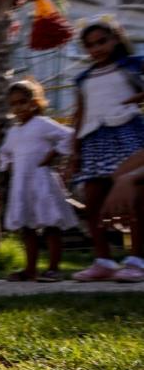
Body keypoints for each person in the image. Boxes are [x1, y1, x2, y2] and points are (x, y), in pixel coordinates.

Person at [68, 17, 144, 283]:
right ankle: (103, 260)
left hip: (127, 133)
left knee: (135, 198)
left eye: (102, 41)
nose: (96, 49)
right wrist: (74, 150)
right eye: (90, 45)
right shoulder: (83, 78)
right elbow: (80, 113)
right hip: (93, 140)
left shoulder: (132, 65)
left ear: (115, 40)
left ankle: (137, 259)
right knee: (93, 201)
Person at [0, 79, 78, 282]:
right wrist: (7, 167)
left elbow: (68, 136)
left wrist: (53, 155)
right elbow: (5, 152)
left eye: (23, 102)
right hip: (22, 184)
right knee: (27, 227)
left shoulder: (42, 124)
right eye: (14, 104)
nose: (19, 108)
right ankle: (30, 269)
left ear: (34, 102)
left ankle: (54, 268)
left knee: (51, 225)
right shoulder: (13, 131)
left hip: (42, 181)